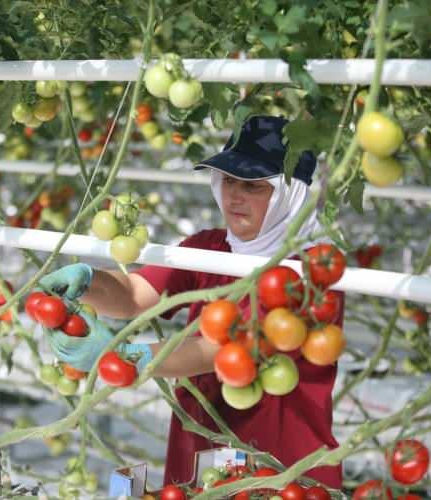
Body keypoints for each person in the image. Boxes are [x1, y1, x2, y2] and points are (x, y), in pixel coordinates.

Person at [40, 115, 343, 489]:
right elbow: (135, 294)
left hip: (281, 466)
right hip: (202, 449)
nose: (233, 196)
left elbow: (223, 351)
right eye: (229, 180)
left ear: (290, 194)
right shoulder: (208, 248)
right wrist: (87, 281)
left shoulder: (310, 276)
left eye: (253, 186)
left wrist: (123, 356)